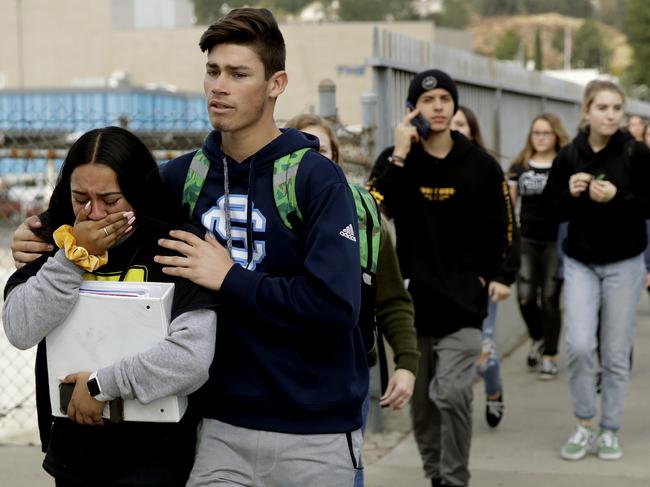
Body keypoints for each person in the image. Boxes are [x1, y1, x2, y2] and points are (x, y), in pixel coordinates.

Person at [11, 8, 366, 486]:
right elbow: (93, 221)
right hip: (218, 426)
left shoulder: (315, 179)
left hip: (313, 429)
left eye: (238, 73)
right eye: (212, 71)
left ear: (276, 83)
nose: (219, 86)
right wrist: (39, 240)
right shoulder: (180, 178)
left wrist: (229, 279)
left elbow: (336, 306)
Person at [2, 126, 218, 486]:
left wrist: (101, 387)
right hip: (75, 454)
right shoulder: (53, 239)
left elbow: (192, 357)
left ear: (138, 193)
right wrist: (72, 257)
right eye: (80, 198)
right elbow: (20, 329)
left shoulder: (174, 245)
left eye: (111, 200)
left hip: (157, 455)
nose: (94, 213)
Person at [368, 70, 512, 487]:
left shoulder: (480, 164)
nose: (438, 107)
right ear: (413, 109)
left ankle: (454, 478)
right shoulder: (397, 159)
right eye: (428, 101)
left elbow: (504, 227)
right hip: (415, 306)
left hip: (465, 305)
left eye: (445, 99)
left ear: (454, 106)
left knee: (450, 393)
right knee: (423, 408)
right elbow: (371, 210)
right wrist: (398, 153)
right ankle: (436, 477)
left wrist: (490, 277)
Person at [284, 113, 419, 487]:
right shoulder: (270, 219)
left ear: (336, 158)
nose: (311, 159)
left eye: (320, 149)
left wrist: (406, 363)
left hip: (346, 374)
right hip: (281, 375)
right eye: (300, 150)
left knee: (346, 474)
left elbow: (391, 297)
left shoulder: (364, 215)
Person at [543, 80, 650, 461]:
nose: (610, 115)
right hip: (581, 262)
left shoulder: (635, 153)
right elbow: (549, 211)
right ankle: (585, 422)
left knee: (616, 353)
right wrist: (568, 193)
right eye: (602, 107)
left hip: (625, 264)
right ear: (586, 111)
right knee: (580, 346)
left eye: (616, 108)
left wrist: (618, 198)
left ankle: (610, 429)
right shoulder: (569, 155)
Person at [451, 105, 519, 428]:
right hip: (444, 279)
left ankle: (493, 390)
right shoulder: (426, 169)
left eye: (460, 124)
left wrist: (504, 275)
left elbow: (508, 228)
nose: (453, 128)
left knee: (484, 349)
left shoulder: (487, 169)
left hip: (483, 277)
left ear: (472, 130)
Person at [508, 113, 570, 380]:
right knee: (524, 296)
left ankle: (549, 356)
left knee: (549, 298)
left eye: (546, 132)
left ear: (556, 135)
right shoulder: (520, 165)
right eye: (537, 132)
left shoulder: (565, 162)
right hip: (527, 239)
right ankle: (537, 337)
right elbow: (509, 206)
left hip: (555, 240)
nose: (541, 137)